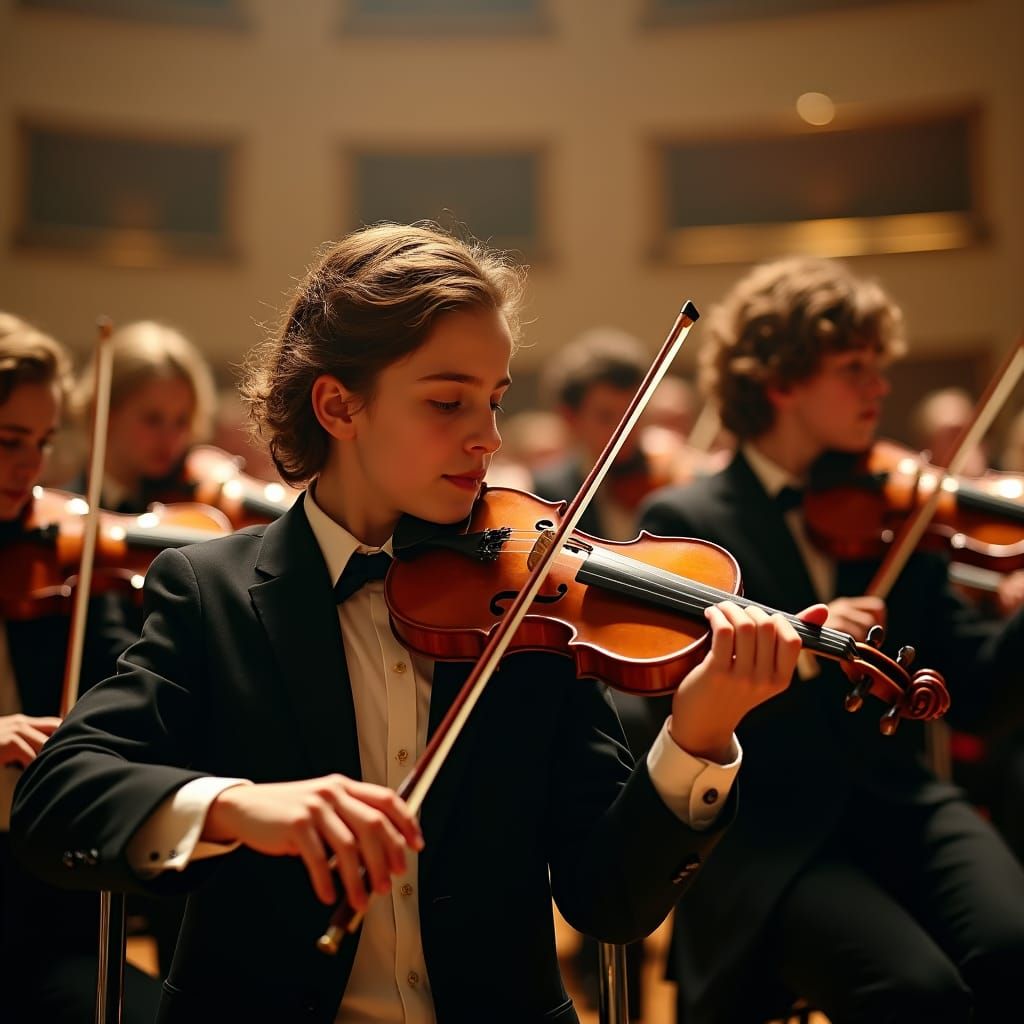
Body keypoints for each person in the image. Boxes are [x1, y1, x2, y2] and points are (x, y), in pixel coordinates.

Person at [11, 225, 822, 1024]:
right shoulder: (210, 591)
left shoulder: (531, 601)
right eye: (448, 401)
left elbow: (610, 900)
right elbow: (59, 802)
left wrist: (697, 737)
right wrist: (239, 807)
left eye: (496, 400)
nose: (490, 437)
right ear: (337, 404)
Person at [638, 256, 1024, 1024]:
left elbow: (977, 695)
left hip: (899, 804)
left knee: (1015, 949)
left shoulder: (899, 507)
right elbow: (668, 714)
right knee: (916, 995)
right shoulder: (689, 521)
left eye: (879, 366)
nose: (879, 387)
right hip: (772, 837)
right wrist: (808, 656)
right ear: (779, 381)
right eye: (854, 368)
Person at [0, 317, 160, 1022]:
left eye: (39, 444)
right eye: (8, 443)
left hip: (40, 903)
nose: (28, 469)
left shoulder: (61, 561)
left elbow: (123, 684)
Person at [68, 319, 216, 514]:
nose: (169, 439)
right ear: (107, 412)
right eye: (153, 420)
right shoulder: (65, 511)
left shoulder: (194, 504)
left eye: (182, 421)